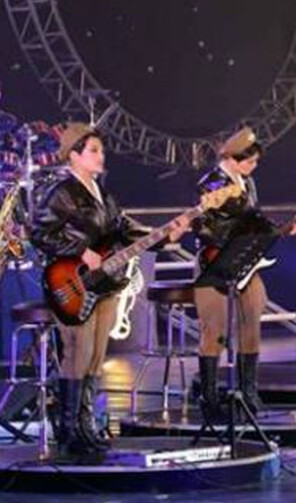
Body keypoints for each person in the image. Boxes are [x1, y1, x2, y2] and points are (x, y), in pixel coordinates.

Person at [31, 122, 188, 456]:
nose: (101, 156)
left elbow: (126, 232)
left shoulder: (104, 196)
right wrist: (78, 250)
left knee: (96, 356)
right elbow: (38, 233)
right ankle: (69, 430)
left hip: (104, 284)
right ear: (74, 155)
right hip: (72, 281)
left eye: (101, 150)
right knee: (78, 352)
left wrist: (165, 236)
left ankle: (85, 426)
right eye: (94, 150)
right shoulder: (62, 193)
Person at [192, 127, 296, 417]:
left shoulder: (248, 183)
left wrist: (283, 229)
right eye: (250, 161)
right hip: (215, 262)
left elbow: (255, 218)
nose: (253, 167)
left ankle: (248, 391)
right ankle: (209, 397)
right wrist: (230, 237)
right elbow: (204, 225)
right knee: (214, 329)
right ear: (233, 158)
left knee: (252, 319)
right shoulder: (211, 183)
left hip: (245, 261)